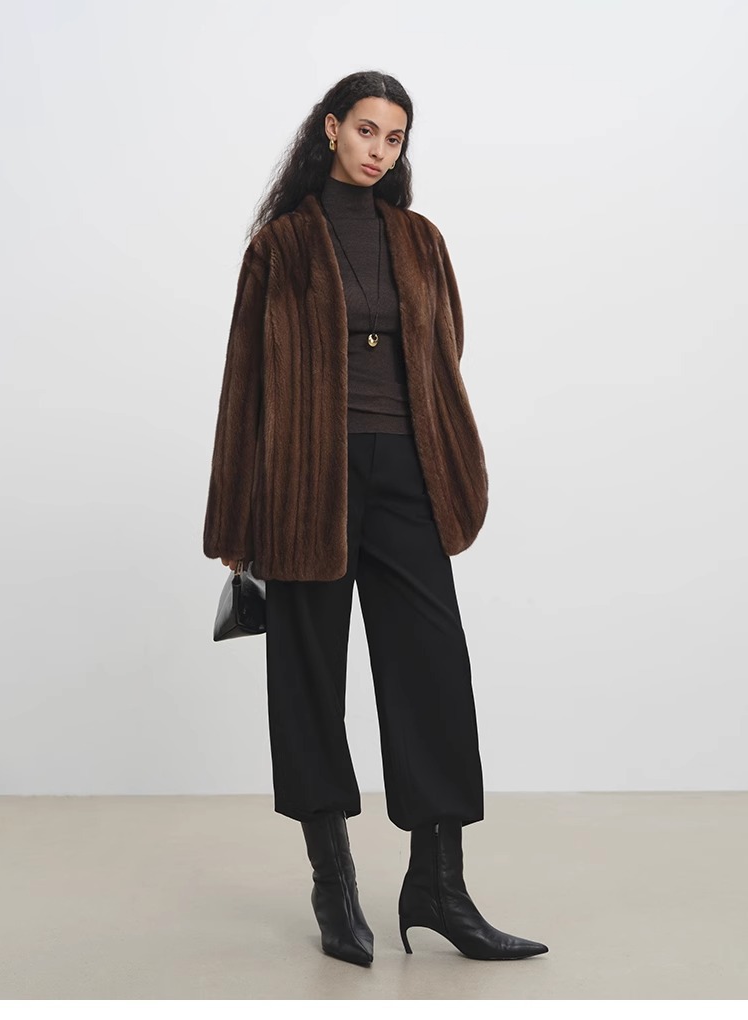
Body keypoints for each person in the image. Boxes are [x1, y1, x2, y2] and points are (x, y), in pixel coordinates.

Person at [203, 70, 548, 967]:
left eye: (393, 138)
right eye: (365, 130)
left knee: (433, 671)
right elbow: (245, 384)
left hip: (407, 476)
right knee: (310, 680)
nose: (378, 150)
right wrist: (235, 525)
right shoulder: (280, 246)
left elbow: (444, 352)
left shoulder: (420, 240)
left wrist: (447, 458)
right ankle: (334, 881)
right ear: (330, 129)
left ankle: (438, 886)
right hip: (305, 481)